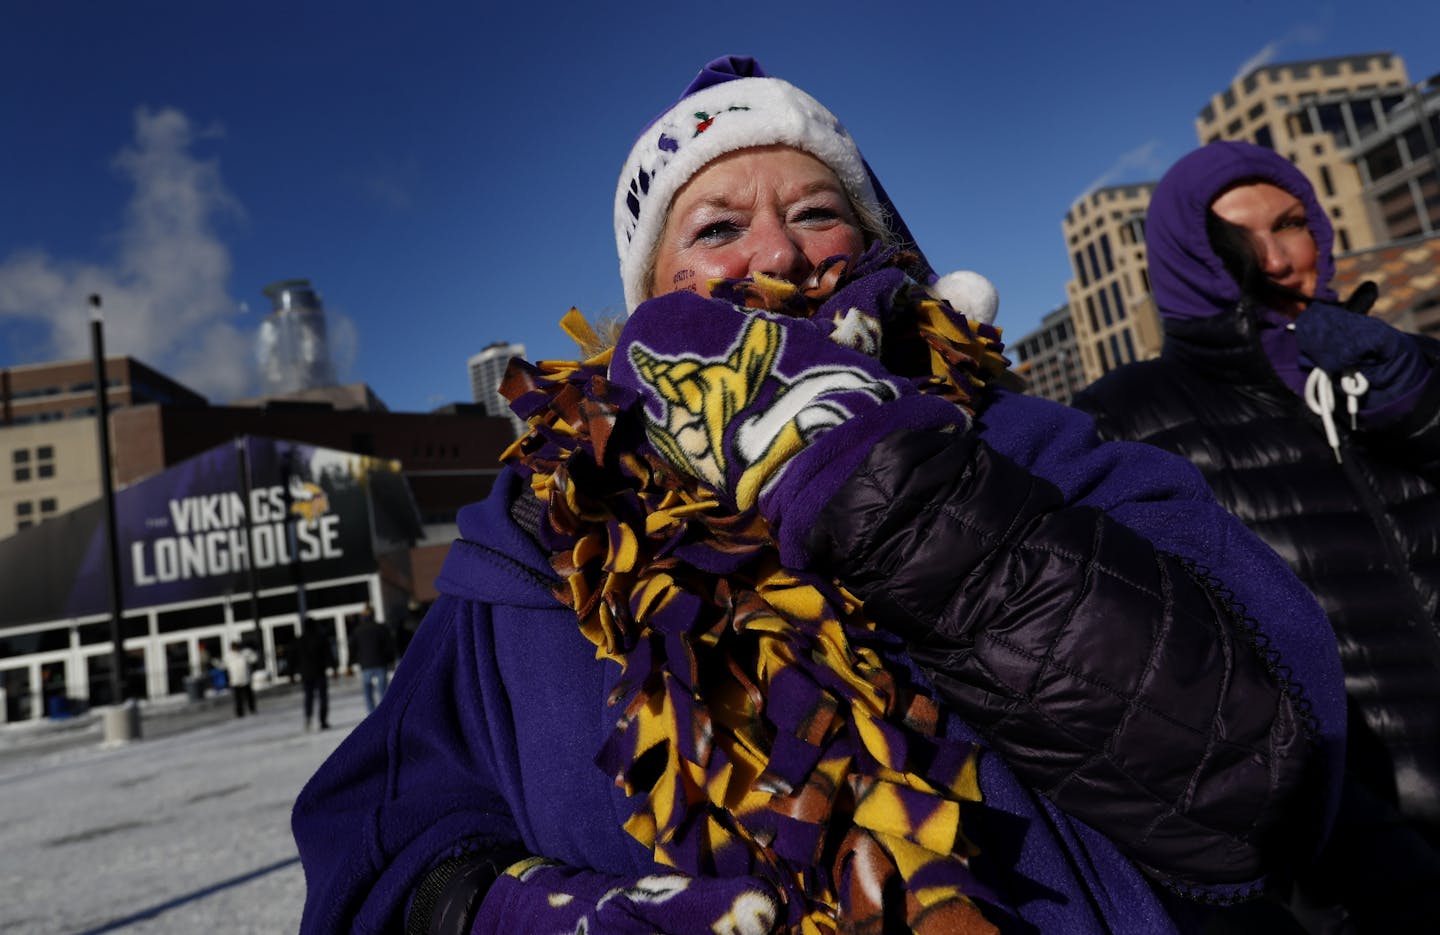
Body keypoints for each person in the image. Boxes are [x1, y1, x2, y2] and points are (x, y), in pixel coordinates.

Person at [294, 59, 1346, 935]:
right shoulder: (541, 531)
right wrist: (531, 912)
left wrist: (887, 485)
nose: (781, 252)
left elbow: (1263, 776)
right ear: (649, 293)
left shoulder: (1029, 442)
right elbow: (380, 836)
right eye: (715, 228)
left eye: (815, 211)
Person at [1073, 140, 1440, 928]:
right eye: (1235, 239)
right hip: (1359, 849)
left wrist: (1418, 404)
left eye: (1292, 223)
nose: (1275, 260)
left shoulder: (1402, 369)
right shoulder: (1128, 419)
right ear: (1180, 256)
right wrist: (1332, 841)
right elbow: (1167, 673)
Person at [347, 603, 394, 713]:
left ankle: (371, 714)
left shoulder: (357, 631)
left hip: (366, 665)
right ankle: (384, 712)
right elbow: (389, 645)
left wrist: (349, 665)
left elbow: (352, 648)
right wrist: (391, 660)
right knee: (382, 691)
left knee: (368, 693)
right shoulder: (381, 628)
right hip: (380, 663)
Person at [291, 618, 337, 731]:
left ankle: (308, 718)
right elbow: (328, 654)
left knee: (308, 697)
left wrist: (291, 673)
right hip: (319, 672)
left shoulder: (300, 640)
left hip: (307, 674)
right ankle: (323, 721)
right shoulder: (321, 638)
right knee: (323, 697)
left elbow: (293, 657)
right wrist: (334, 667)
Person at [224, 640, 257, 718]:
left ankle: (252, 709)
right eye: (233, 647)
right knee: (238, 698)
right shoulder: (228, 656)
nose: (235, 649)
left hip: (245, 678)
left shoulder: (245, 654)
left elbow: (254, 659)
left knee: (249, 696)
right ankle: (240, 712)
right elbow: (224, 665)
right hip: (235, 680)